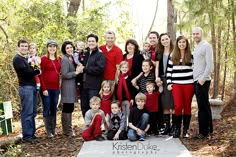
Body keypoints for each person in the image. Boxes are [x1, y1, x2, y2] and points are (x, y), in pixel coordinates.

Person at [13, 39, 41, 143]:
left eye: (26, 46)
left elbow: (32, 70)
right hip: (25, 88)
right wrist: (37, 71)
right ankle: (27, 136)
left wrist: (35, 70)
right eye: (22, 46)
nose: (24, 48)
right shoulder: (17, 59)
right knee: (27, 112)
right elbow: (27, 72)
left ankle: (32, 134)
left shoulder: (26, 58)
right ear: (18, 47)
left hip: (32, 87)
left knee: (33, 112)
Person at [166, 35, 194, 138]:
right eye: (180, 42)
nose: (182, 44)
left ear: (186, 44)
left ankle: (185, 130)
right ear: (177, 44)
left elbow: (194, 70)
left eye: (184, 42)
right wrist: (169, 83)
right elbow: (169, 71)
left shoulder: (191, 56)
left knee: (187, 106)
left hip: (189, 84)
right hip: (176, 84)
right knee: (178, 106)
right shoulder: (172, 55)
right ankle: (177, 128)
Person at [192, 27, 213, 139]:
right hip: (196, 80)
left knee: (202, 107)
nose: (195, 36)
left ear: (202, 34)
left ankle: (203, 132)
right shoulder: (196, 48)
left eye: (197, 34)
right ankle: (209, 129)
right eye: (194, 34)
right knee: (205, 105)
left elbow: (210, 65)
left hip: (202, 81)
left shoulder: (206, 46)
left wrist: (203, 79)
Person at [78, 34, 106, 117]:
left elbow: (100, 69)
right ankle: (87, 126)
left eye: (93, 41)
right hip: (83, 85)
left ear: (97, 42)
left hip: (94, 86)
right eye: (89, 41)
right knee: (84, 107)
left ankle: (95, 127)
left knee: (94, 107)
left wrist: (85, 69)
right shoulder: (85, 53)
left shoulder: (100, 54)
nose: (91, 43)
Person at [61, 41, 82, 136]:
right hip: (67, 86)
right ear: (64, 50)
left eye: (71, 47)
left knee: (70, 107)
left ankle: (68, 129)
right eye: (67, 48)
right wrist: (76, 73)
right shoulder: (65, 59)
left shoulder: (72, 57)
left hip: (72, 86)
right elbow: (64, 74)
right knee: (67, 107)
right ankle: (67, 130)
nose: (70, 49)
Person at [40, 40, 61, 137]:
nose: (52, 48)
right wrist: (44, 88)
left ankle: (53, 129)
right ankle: (48, 131)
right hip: (46, 88)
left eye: (54, 46)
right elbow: (41, 75)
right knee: (47, 107)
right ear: (47, 48)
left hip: (56, 88)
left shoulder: (59, 59)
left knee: (54, 107)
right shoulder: (43, 59)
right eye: (50, 46)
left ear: (56, 48)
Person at [155, 33, 174, 135]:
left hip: (173, 79)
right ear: (160, 41)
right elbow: (157, 67)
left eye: (166, 39)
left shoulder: (175, 51)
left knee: (173, 103)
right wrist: (157, 78)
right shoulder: (159, 52)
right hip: (162, 79)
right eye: (163, 40)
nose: (165, 41)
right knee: (165, 103)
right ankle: (167, 127)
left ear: (169, 39)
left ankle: (174, 126)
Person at [115, 61, 135, 127]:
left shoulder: (130, 78)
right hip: (121, 100)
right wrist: (117, 101)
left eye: (126, 67)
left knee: (128, 114)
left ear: (128, 68)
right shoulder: (118, 78)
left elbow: (132, 89)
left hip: (128, 99)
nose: (124, 69)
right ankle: (123, 128)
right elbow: (116, 90)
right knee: (123, 114)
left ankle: (128, 128)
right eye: (123, 67)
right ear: (120, 68)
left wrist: (132, 98)